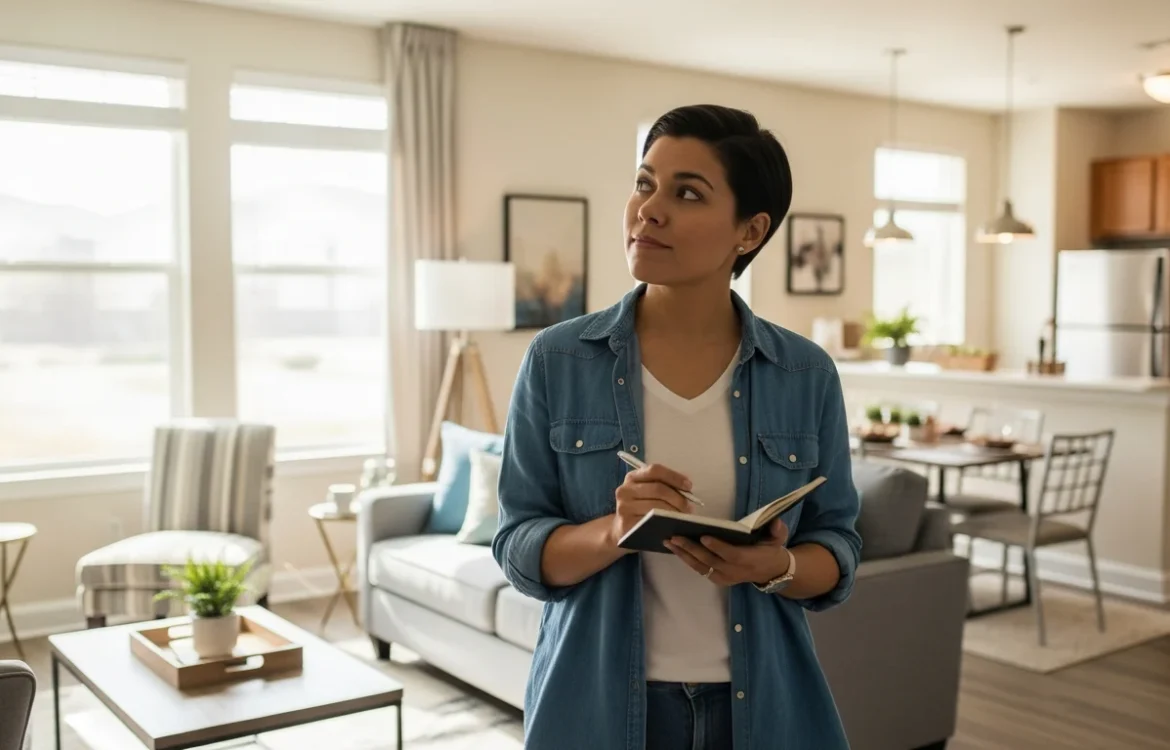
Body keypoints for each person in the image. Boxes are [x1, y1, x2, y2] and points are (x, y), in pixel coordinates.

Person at [491, 104, 862, 750]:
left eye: (686, 192)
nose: (648, 210)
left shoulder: (805, 374)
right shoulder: (557, 360)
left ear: (749, 231)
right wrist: (615, 530)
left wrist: (775, 565)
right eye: (644, 184)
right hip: (596, 711)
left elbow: (839, 549)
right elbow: (519, 548)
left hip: (765, 712)